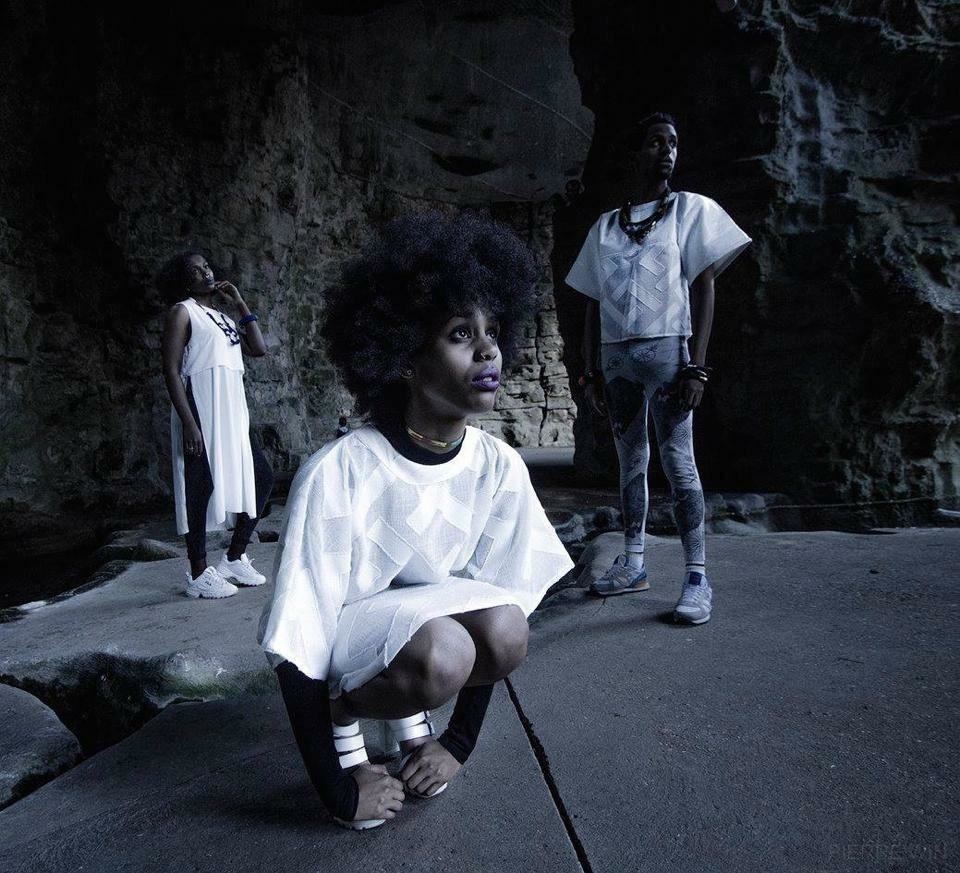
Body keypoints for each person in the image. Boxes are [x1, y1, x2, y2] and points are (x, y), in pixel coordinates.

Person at [257, 212, 573, 830]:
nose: (488, 350)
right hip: (351, 634)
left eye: (493, 331)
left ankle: (414, 721)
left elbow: (499, 598)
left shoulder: (498, 466)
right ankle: (347, 712)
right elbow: (296, 635)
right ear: (405, 357)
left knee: (507, 628)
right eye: (460, 334)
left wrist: (456, 745)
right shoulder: (341, 470)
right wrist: (336, 787)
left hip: (422, 623)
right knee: (445, 653)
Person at [566, 112, 751, 625]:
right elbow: (591, 302)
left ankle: (697, 578)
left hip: (669, 353)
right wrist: (588, 371)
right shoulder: (606, 225)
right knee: (631, 462)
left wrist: (697, 367)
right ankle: (634, 563)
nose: (667, 150)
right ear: (634, 154)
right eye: (655, 142)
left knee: (678, 461)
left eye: (673, 142)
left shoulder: (689, 210)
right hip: (616, 360)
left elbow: (704, 285)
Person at [159, 252, 275, 599]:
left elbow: (259, 348)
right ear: (184, 282)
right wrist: (189, 423)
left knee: (262, 477)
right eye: (196, 271)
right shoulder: (182, 312)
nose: (206, 272)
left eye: (207, 266)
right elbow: (171, 370)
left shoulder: (222, 317)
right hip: (201, 403)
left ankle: (234, 557)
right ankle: (198, 572)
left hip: (232, 408)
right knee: (200, 483)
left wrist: (239, 303)